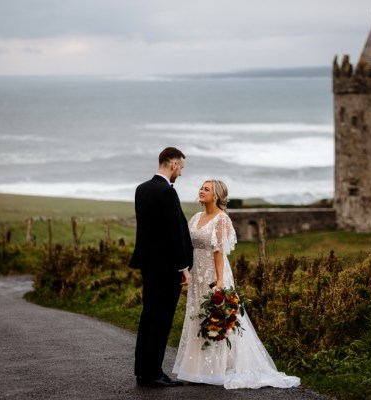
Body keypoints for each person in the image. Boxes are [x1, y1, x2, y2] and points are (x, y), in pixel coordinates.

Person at [172, 179, 301, 389]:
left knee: (216, 316)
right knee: (197, 315)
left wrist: (220, 281)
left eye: (207, 189)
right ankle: (198, 369)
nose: (201, 191)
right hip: (197, 274)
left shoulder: (222, 219)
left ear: (217, 195)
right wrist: (186, 270)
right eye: (201, 188)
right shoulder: (196, 218)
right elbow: (187, 245)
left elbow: (219, 252)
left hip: (215, 273)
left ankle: (219, 368)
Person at [128, 147, 193, 388]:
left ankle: (143, 372)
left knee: (148, 316)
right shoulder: (166, 192)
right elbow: (173, 233)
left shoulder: (141, 189)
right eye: (182, 168)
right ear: (173, 165)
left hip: (148, 264)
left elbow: (148, 230)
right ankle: (153, 373)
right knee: (161, 319)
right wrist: (183, 267)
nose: (181, 173)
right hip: (166, 268)